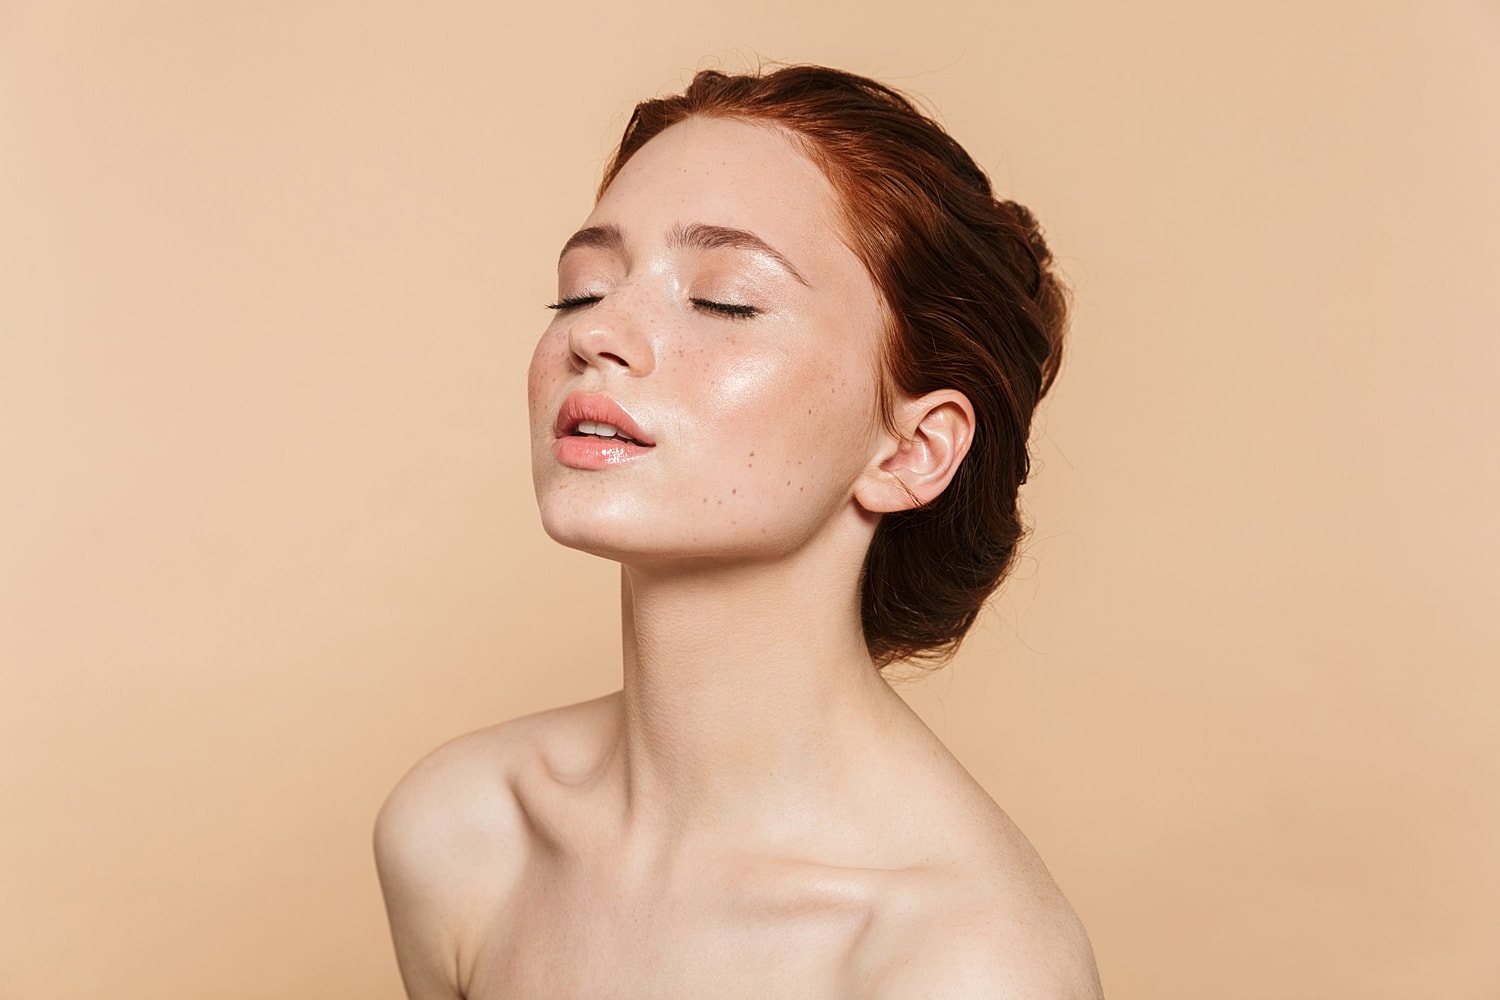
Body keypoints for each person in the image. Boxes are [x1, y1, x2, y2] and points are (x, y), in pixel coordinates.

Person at [375, 64, 1102, 999]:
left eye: (725, 300)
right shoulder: (463, 834)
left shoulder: (964, 965)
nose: (599, 336)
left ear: (913, 449)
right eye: (583, 290)